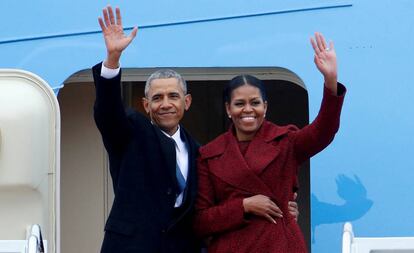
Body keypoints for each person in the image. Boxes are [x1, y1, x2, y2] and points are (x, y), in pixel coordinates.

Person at [92, 5, 300, 253]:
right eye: (157, 98)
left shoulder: (202, 152)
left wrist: (283, 208)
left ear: (186, 102)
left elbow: (218, 206)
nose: (166, 104)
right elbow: (108, 114)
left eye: (173, 96)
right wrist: (112, 60)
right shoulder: (130, 132)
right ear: (146, 105)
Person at [193, 32, 346, 253]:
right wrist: (244, 206)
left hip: (279, 245)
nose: (247, 110)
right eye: (239, 103)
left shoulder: (286, 141)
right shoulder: (209, 154)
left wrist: (330, 81)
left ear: (265, 107)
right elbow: (200, 221)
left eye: (255, 102)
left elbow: (323, 132)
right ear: (228, 109)